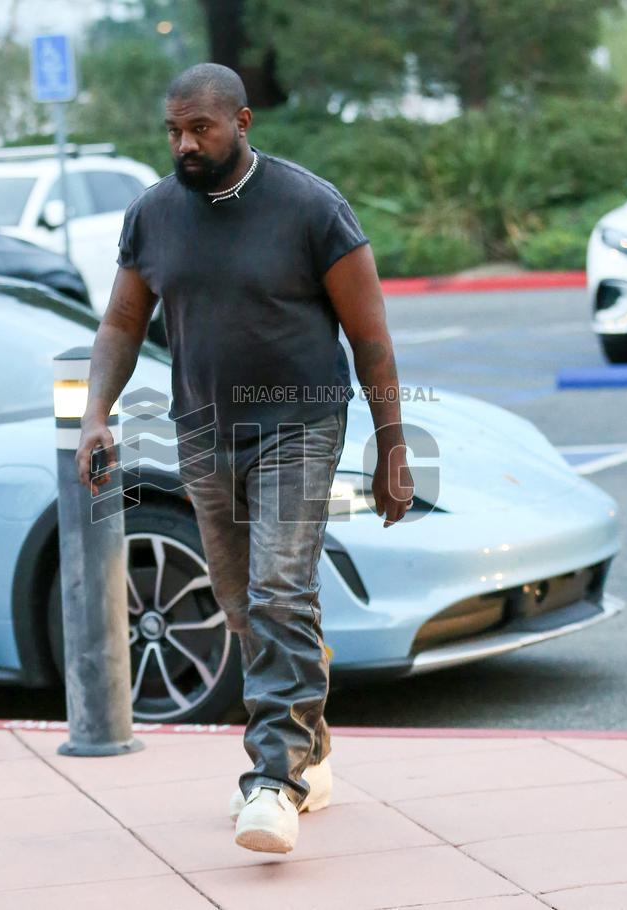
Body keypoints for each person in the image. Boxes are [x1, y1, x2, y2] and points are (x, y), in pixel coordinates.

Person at [76, 63, 413, 854]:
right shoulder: (154, 215)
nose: (185, 144)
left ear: (243, 121)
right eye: (173, 130)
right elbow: (123, 325)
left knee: (279, 588)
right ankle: (312, 750)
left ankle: (272, 780)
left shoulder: (312, 207)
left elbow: (370, 337)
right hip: (205, 431)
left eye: (201, 128)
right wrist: (97, 414)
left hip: (300, 425)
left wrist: (393, 446)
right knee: (242, 604)